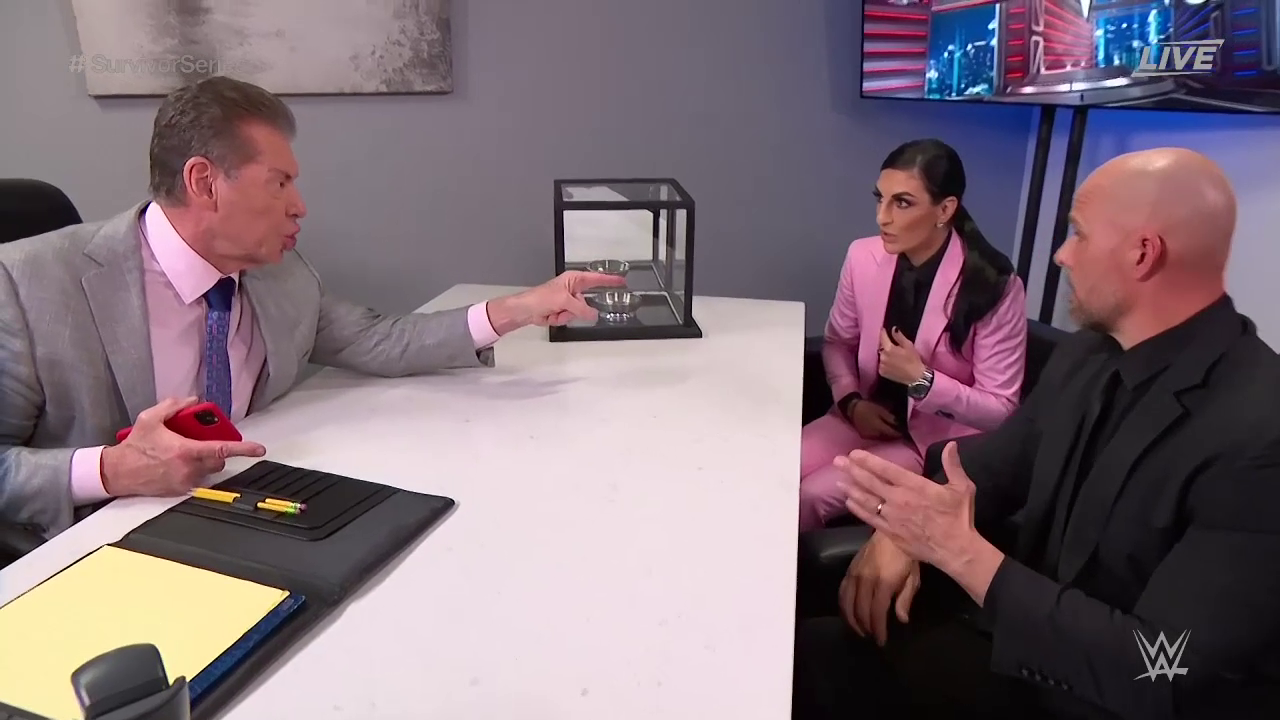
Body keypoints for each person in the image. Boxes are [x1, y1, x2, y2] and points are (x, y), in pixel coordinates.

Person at [0, 76, 624, 538]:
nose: (300, 206)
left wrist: (522, 308)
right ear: (204, 182)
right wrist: (112, 470)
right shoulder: (27, 285)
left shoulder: (281, 274)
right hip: (97, 546)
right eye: (280, 183)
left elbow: (381, 340)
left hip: (248, 510)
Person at [792, 147, 1280, 719]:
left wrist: (963, 555)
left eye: (1079, 234)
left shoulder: (1260, 433)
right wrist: (903, 529)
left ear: (1142, 253)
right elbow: (994, 464)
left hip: (1098, 699)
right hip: (1013, 643)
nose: (1062, 254)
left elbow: (1166, 669)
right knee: (791, 660)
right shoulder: (1089, 355)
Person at [799, 139, 1027, 531]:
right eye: (880, 199)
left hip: (927, 441)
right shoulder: (863, 257)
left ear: (945, 210)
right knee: (771, 471)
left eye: (902, 203)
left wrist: (922, 381)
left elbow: (1000, 408)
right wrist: (851, 402)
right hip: (862, 416)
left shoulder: (994, 285)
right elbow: (838, 342)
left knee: (811, 495)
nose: (882, 217)